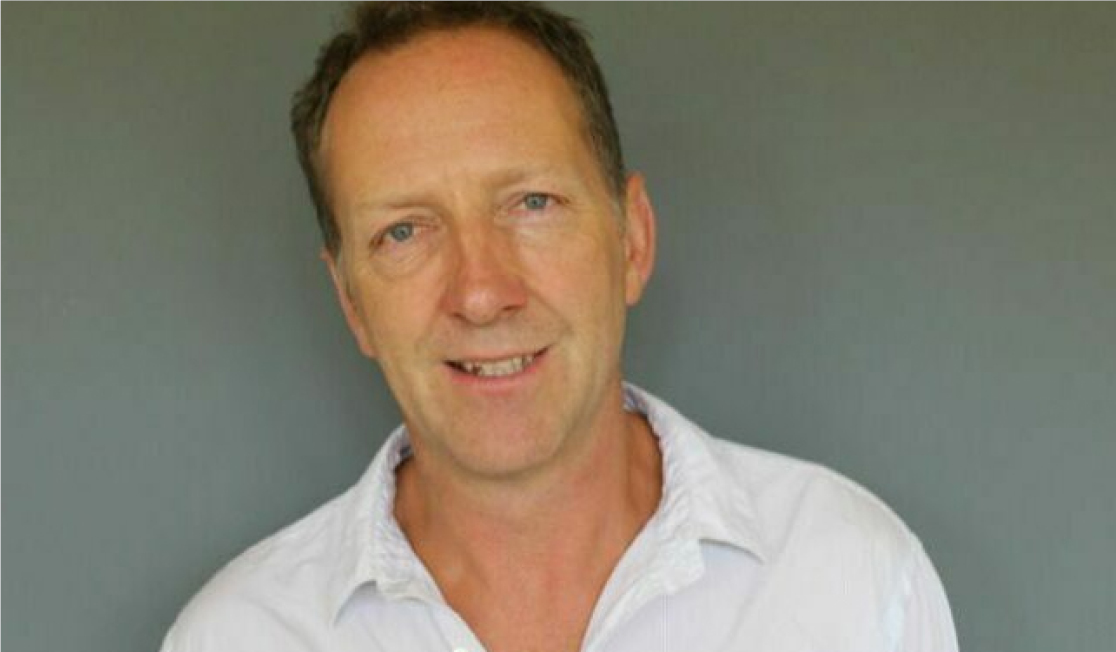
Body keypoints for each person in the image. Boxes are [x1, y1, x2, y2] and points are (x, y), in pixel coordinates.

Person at [160, 3, 958, 651]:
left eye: (531, 204)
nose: (480, 292)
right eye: (405, 231)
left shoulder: (850, 578)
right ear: (352, 303)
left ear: (632, 239)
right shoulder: (237, 636)